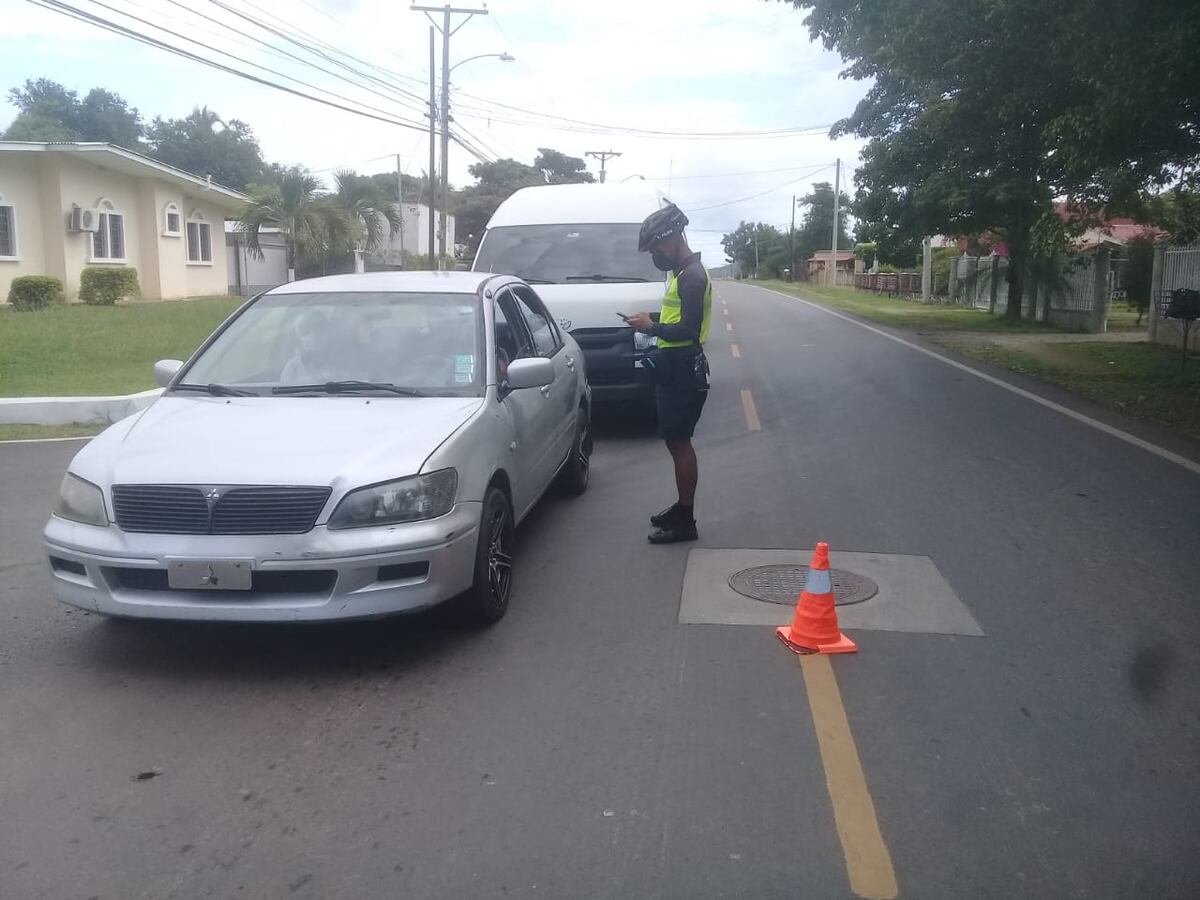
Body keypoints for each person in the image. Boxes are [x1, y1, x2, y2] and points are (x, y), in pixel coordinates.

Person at [624, 203, 713, 544]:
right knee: (675, 443)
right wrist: (652, 317)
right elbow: (678, 318)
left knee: (680, 444)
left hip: (682, 369)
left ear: (672, 239)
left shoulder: (692, 276)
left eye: (656, 247)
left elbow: (688, 330)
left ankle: (685, 521)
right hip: (674, 367)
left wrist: (652, 326)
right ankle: (681, 507)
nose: (655, 254)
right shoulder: (683, 273)